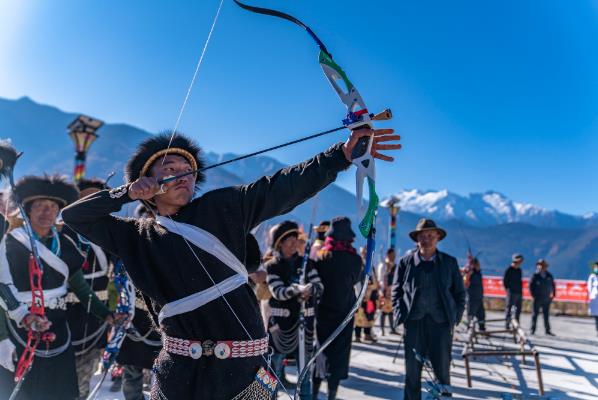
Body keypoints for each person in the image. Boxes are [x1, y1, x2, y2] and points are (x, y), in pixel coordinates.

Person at [61, 128, 400, 399]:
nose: (183, 176)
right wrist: (125, 193)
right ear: (147, 183)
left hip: (241, 367)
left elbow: (282, 186)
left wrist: (340, 155)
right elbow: (73, 216)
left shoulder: (224, 206)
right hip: (178, 372)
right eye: (170, 169)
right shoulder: (134, 236)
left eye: (188, 170)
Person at [0, 175, 115, 400]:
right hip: (17, 328)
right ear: (28, 211)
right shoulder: (9, 244)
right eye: (40, 207)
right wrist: (1, 338)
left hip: (58, 328)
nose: (46, 212)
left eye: (52, 207)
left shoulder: (66, 245)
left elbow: (80, 287)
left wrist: (105, 314)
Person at [391, 218, 466, 400]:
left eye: (431, 235)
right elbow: (396, 291)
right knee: (412, 372)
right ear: (417, 239)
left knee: (442, 370)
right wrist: (400, 314)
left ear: (438, 237)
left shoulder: (449, 263)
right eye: (422, 236)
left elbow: (460, 294)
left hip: (440, 324)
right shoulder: (405, 263)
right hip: (414, 323)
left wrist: (455, 317)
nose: (426, 239)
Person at [62, 178, 112, 399]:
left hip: (97, 315)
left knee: (85, 377)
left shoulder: (110, 234)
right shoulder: (59, 235)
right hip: (63, 313)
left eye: (95, 199)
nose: (89, 203)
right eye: (84, 199)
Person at [266, 220, 323, 399]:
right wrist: (295, 289)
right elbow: (278, 292)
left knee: (305, 375)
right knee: (272, 373)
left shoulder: (308, 263)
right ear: (280, 243)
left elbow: (319, 286)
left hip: (304, 326)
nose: (293, 243)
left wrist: (310, 290)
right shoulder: (272, 266)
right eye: (289, 240)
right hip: (280, 328)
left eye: (295, 239)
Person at [313, 217, 362, 400]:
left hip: (323, 311)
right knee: (339, 354)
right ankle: (332, 395)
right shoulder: (356, 259)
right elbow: (356, 280)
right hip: (345, 312)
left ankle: (315, 392)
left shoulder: (321, 257)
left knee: (320, 351)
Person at [529, 259, 556, 335]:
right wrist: (533, 295)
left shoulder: (549, 275)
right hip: (537, 297)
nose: (541, 266)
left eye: (542, 265)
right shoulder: (535, 275)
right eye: (540, 265)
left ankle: (547, 330)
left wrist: (553, 294)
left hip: (546, 297)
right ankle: (533, 329)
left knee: (546, 314)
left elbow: (553, 285)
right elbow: (531, 286)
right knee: (535, 314)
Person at [378, 248, 397, 335]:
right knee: (383, 310)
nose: (393, 257)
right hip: (384, 291)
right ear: (388, 255)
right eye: (392, 255)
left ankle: (392, 328)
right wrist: (383, 290)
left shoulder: (395, 266)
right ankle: (382, 329)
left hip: (393, 291)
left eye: (394, 255)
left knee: (391, 311)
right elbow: (380, 278)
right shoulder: (383, 265)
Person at [503, 253, 524, 329]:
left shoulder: (519, 270)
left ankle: (516, 325)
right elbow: (505, 281)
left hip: (519, 292)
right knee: (509, 308)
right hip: (511, 292)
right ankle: (507, 324)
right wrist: (508, 290)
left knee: (518, 310)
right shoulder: (509, 269)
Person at [466, 258, 486, 331]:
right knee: (471, 313)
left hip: (479, 297)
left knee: (481, 314)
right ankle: (469, 328)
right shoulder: (470, 273)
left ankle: (482, 328)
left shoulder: (479, 273)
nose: (479, 266)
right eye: (477, 264)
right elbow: (465, 282)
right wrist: (468, 272)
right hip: (472, 297)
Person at [588, 262, 598, 336]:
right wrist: (590, 296)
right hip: (594, 297)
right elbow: (589, 287)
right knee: (596, 314)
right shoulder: (592, 276)